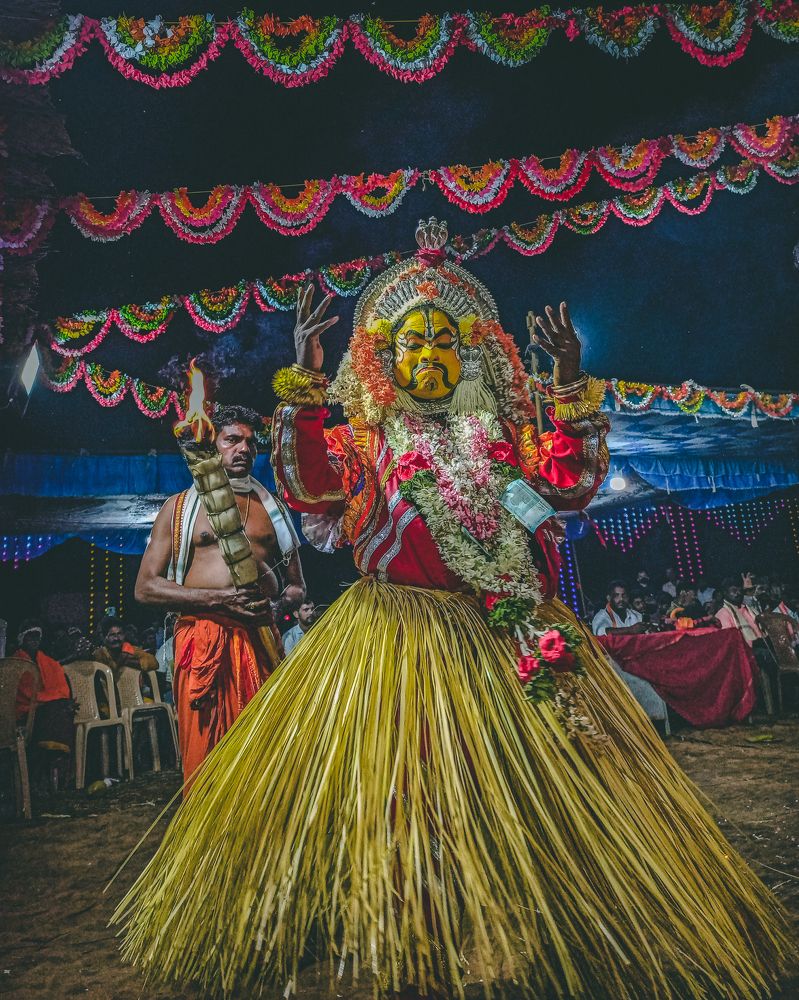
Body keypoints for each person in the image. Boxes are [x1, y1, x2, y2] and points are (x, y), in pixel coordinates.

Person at [116, 220, 788, 998]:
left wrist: (566, 380)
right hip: (403, 637)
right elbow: (307, 484)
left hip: (514, 633)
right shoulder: (364, 442)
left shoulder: (498, 437)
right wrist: (304, 381)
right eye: (411, 343)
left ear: (468, 354)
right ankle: (419, 923)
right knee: (414, 789)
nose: (428, 354)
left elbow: (566, 487)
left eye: (444, 340)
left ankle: (543, 913)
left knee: (551, 781)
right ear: (385, 360)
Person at [132, 403, 305, 784]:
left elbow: (296, 586)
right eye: (232, 440)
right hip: (202, 642)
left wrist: (273, 608)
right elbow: (145, 588)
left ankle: (259, 838)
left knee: (261, 751)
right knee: (207, 754)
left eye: (250, 442)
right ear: (213, 443)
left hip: (259, 639)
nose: (243, 449)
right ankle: (208, 841)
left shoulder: (270, 508)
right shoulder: (178, 509)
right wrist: (218, 600)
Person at [13, 620, 75, 777]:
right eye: (30, 636)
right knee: (59, 711)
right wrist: (53, 700)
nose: (34, 640)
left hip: (46, 707)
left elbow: (61, 688)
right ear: (22, 639)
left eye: (37, 636)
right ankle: (52, 761)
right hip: (25, 711)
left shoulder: (47, 661)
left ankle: (56, 764)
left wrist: (55, 700)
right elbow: (25, 694)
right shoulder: (16, 662)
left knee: (61, 710)